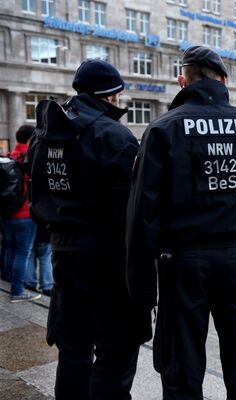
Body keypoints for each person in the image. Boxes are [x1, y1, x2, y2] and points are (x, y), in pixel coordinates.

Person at [126, 47, 236, 399]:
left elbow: (142, 216)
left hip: (182, 267)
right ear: (224, 82)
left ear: (181, 81)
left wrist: (142, 292)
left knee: (182, 371)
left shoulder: (163, 130)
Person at [27, 60, 142, 399]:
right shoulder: (113, 135)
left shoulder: (44, 133)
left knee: (73, 347)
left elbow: (36, 191)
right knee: (116, 348)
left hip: (64, 251)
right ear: (111, 95)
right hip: (107, 256)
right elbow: (131, 209)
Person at [3, 125, 40, 303]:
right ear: (30, 139)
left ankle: (10, 281)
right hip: (25, 214)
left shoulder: (9, 156)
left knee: (10, 250)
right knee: (22, 253)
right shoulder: (30, 158)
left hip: (7, 213)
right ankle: (17, 291)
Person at [24, 228, 53, 296]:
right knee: (46, 258)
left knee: (30, 257)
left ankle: (29, 283)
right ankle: (47, 286)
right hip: (44, 233)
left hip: (29, 230)